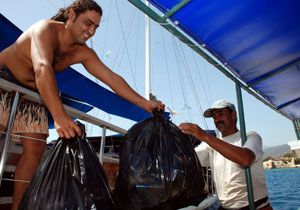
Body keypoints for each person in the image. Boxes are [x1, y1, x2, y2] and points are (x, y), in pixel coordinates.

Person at [0, 1, 164, 209]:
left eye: (96, 27)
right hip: (3, 79)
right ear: (71, 15)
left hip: (33, 94)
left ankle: (16, 208)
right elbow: (42, 66)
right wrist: (59, 116)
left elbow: (112, 79)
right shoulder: (45, 29)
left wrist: (145, 103)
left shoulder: (83, 52)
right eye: (88, 23)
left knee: (35, 148)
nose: (91, 31)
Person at [179, 99, 272, 210]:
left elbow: (246, 159)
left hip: (256, 207)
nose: (217, 119)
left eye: (220, 114)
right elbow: (186, 160)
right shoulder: (210, 144)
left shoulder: (250, 136)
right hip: (225, 207)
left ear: (233, 114)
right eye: (214, 116)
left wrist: (204, 135)